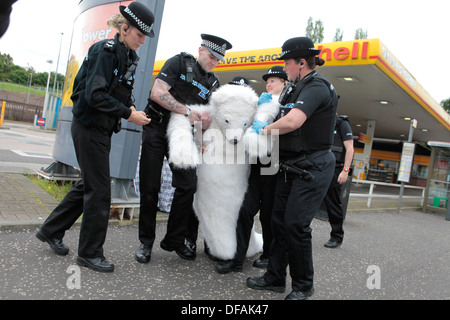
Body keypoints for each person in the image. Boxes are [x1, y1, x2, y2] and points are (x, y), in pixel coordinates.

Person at [35, 2, 154, 273]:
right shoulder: (106, 51)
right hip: (89, 126)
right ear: (124, 29)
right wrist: (128, 114)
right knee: (100, 191)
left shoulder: (126, 55)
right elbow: (95, 95)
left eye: (145, 36)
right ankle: (89, 253)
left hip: (100, 129)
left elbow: (118, 91)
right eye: (139, 35)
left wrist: (131, 107)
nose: (142, 41)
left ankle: (51, 230)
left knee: (87, 185)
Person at [246, 37, 338, 300]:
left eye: (287, 62)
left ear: (301, 62)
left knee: (296, 225)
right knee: (277, 223)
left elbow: (294, 121)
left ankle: (303, 286)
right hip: (289, 165)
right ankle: (275, 278)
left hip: (313, 165)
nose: (284, 67)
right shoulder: (293, 88)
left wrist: (265, 129)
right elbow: (279, 114)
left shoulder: (317, 86)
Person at [135, 34, 232, 263]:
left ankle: (174, 240)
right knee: (150, 188)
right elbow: (157, 93)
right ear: (200, 50)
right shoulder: (179, 63)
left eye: (218, 60)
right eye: (211, 56)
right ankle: (145, 242)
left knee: (188, 184)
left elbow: (202, 121)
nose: (214, 62)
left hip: (182, 136)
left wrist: (202, 133)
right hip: (157, 128)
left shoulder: (213, 82)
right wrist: (187, 112)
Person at [216, 66, 287, 274]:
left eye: (274, 80)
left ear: (284, 83)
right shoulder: (259, 105)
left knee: (268, 215)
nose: (269, 84)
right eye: (268, 81)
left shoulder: (288, 105)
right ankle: (237, 259)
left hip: (275, 164)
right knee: (245, 210)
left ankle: (268, 255)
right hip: (257, 164)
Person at [323, 114, 354, 248]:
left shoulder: (341, 123)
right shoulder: (320, 120)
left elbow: (350, 148)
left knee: (333, 203)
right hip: (319, 166)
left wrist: (345, 170)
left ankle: (337, 236)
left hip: (335, 168)